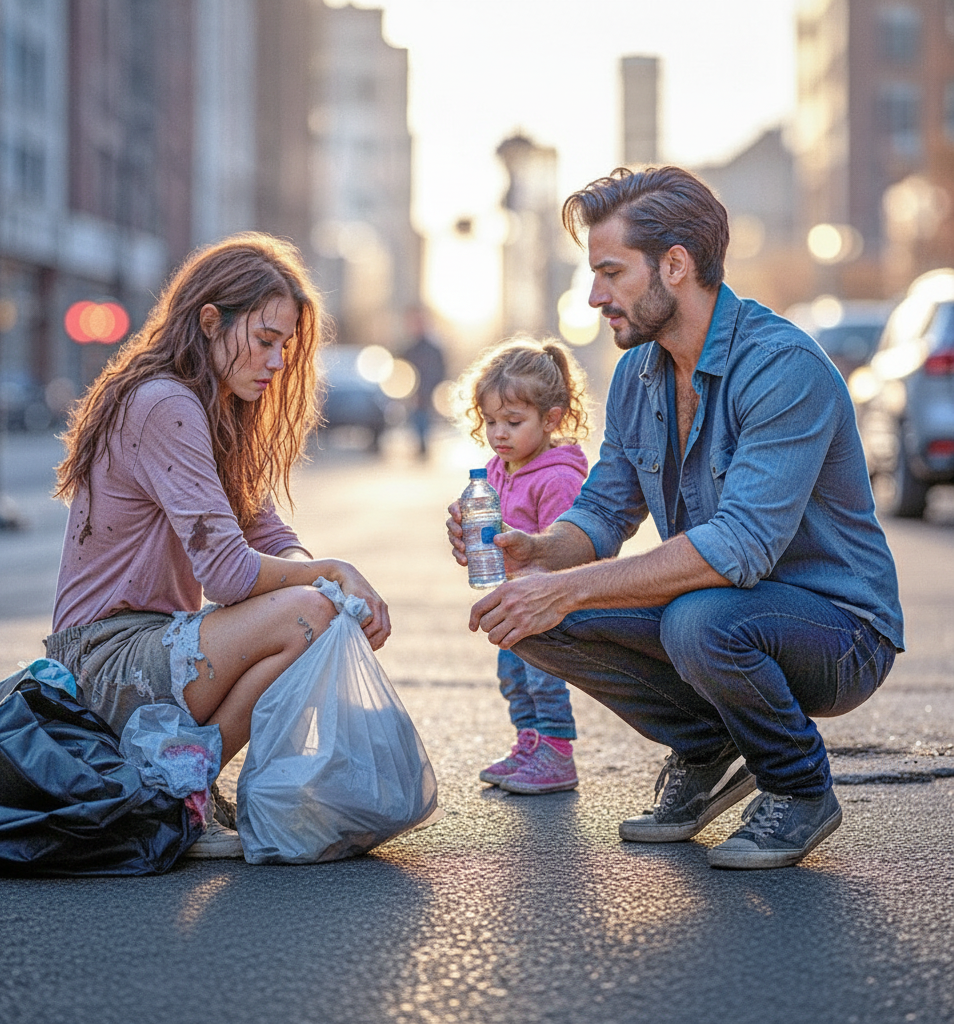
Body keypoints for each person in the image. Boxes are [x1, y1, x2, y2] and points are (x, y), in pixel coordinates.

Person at [447, 166, 903, 870]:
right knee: (530, 616)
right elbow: (603, 510)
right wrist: (537, 553)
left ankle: (798, 787)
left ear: (675, 265)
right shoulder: (639, 375)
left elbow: (739, 546)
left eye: (611, 273)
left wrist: (569, 586)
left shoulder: (781, 367)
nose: (595, 296)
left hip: (840, 631)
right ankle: (707, 748)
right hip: (721, 609)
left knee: (698, 620)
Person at [49, 232, 390, 859]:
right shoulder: (165, 404)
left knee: (313, 609)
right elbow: (229, 576)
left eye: (285, 346)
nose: (277, 361)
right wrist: (334, 574)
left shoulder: (213, 410)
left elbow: (269, 538)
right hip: (101, 663)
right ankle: (179, 795)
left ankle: (183, 786)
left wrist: (321, 581)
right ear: (210, 322)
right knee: (307, 614)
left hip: (147, 646)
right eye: (264, 339)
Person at [457, 337, 590, 794]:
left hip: (543, 606)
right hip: (511, 600)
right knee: (513, 678)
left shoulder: (558, 477)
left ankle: (556, 752)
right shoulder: (496, 472)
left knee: (543, 679)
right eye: (490, 421)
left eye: (513, 422)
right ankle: (529, 744)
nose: (499, 433)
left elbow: (565, 549)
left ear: (551, 419)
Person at [401, 307, 447, 458]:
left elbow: (439, 370)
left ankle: (423, 445)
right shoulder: (409, 349)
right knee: (416, 419)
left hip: (427, 390)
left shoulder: (432, 349)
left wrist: (432, 389)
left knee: (424, 419)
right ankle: (420, 445)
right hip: (414, 391)